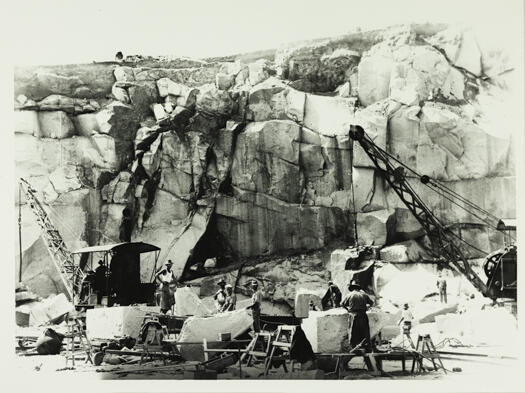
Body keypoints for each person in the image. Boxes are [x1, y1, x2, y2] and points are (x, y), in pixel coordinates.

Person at [341, 279, 374, 351]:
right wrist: (367, 307)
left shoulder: (349, 295)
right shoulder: (364, 294)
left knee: (353, 331)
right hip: (363, 314)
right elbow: (371, 303)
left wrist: (348, 309)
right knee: (364, 331)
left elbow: (342, 304)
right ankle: (365, 346)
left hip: (353, 315)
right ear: (358, 288)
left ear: (352, 288)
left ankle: (353, 347)